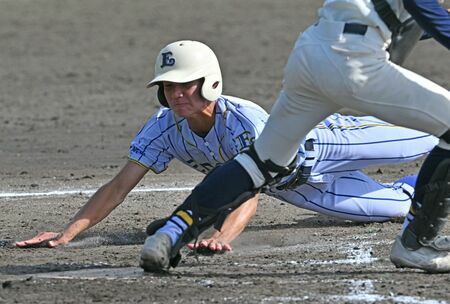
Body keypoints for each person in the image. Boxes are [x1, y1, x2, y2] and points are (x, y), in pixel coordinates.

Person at [15, 40, 437, 256]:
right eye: (169, 87)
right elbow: (118, 185)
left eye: (186, 84)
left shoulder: (242, 120)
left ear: (209, 82)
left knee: (433, 133)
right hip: (297, 188)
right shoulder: (164, 129)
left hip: (326, 144)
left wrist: (222, 234)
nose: (177, 94)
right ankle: (423, 182)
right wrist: (67, 234)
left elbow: (248, 192)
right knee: (402, 209)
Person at [141, 0, 450, 274]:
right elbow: (422, 10)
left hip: (311, 54)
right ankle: (416, 243)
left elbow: (407, 20)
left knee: (259, 162)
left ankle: (172, 231)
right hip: (353, 59)